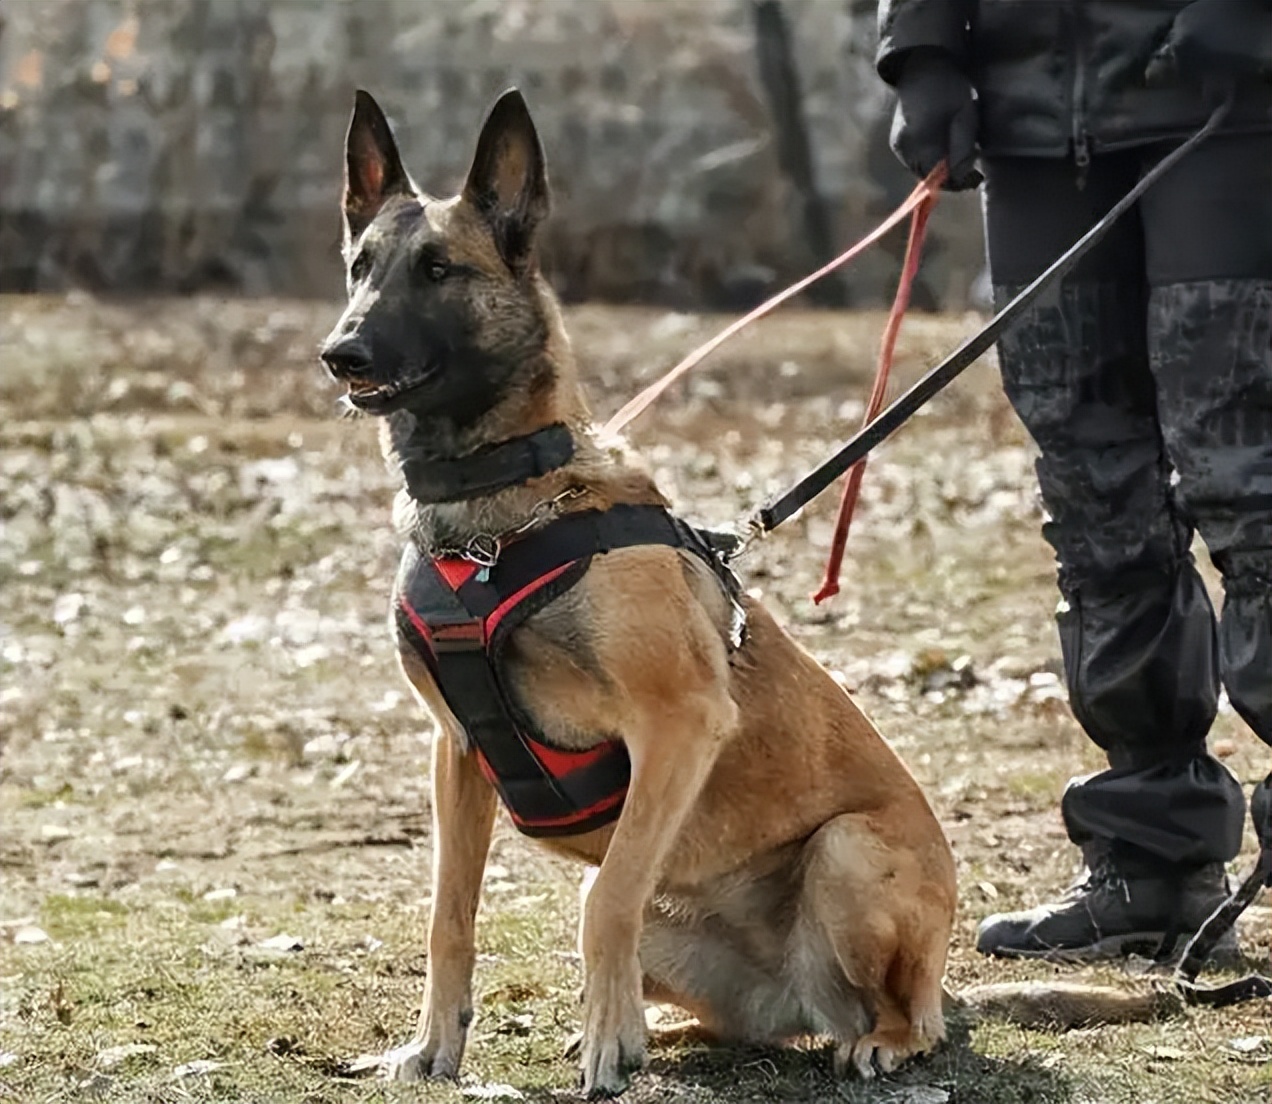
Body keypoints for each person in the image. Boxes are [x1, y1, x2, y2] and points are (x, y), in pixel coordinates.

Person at [874, 0, 1272, 960]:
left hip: (1235, 101)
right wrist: (921, 50)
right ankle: (1149, 864)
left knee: (1250, 480)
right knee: (1095, 503)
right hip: (1033, 119)